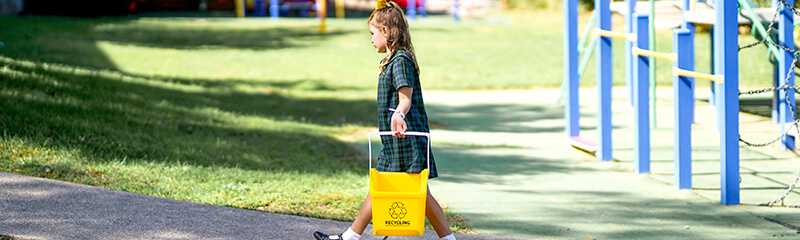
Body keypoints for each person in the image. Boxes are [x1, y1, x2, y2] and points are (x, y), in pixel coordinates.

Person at [313, 0, 455, 239]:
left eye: (373, 33)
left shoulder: (400, 61)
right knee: (402, 190)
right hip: (395, 141)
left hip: (406, 140)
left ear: (387, 32)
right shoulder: (393, 60)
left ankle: (350, 237)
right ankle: (351, 237)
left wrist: (399, 115)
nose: (370, 39)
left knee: (416, 192)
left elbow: (405, 98)